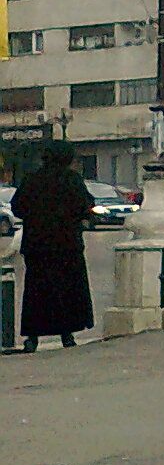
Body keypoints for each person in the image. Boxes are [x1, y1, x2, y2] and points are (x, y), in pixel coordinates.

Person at [13, 141, 95, 350]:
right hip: (67, 244)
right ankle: (66, 334)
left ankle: (32, 337)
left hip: (37, 245)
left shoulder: (32, 179)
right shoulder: (71, 180)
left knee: (37, 292)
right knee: (66, 290)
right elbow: (85, 204)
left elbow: (17, 207)